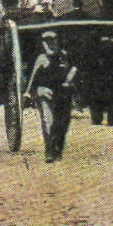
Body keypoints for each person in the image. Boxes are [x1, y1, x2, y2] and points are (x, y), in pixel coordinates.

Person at [26, 29, 78, 162]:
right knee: (48, 122)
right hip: (46, 93)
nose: (51, 43)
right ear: (43, 43)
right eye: (47, 41)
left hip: (63, 94)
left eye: (53, 40)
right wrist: (30, 92)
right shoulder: (41, 58)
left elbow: (73, 70)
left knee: (63, 123)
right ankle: (49, 150)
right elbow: (32, 78)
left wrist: (72, 77)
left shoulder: (64, 56)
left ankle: (58, 148)